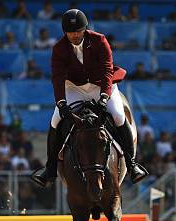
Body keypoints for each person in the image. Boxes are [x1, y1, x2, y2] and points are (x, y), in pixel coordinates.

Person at [31, 9, 148, 187]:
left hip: (100, 85)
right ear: (65, 32)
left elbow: (108, 71)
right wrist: (61, 102)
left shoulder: (99, 41)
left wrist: (103, 97)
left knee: (118, 115)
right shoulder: (59, 48)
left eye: (78, 31)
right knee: (55, 121)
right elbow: (57, 77)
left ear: (85, 29)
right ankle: (50, 168)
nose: (75, 35)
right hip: (74, 87)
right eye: (71, 32)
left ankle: (132, 165)